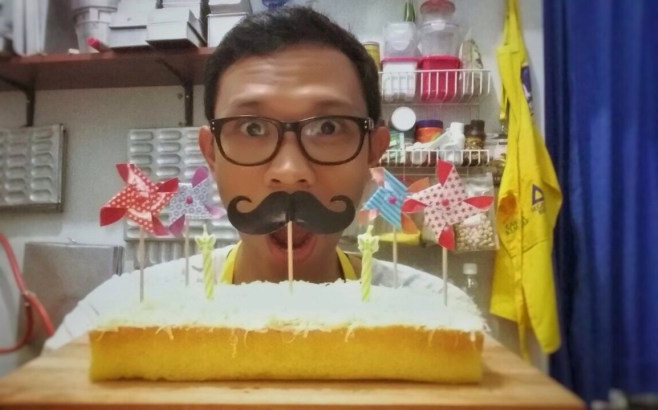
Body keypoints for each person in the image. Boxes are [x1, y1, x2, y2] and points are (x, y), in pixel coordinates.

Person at [44, 6, 467, 351]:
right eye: (251, 128)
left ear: (374, 152)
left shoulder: (440, 319)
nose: (290, 173)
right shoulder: (114, 320)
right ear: (211, 154)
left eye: (328, 127)